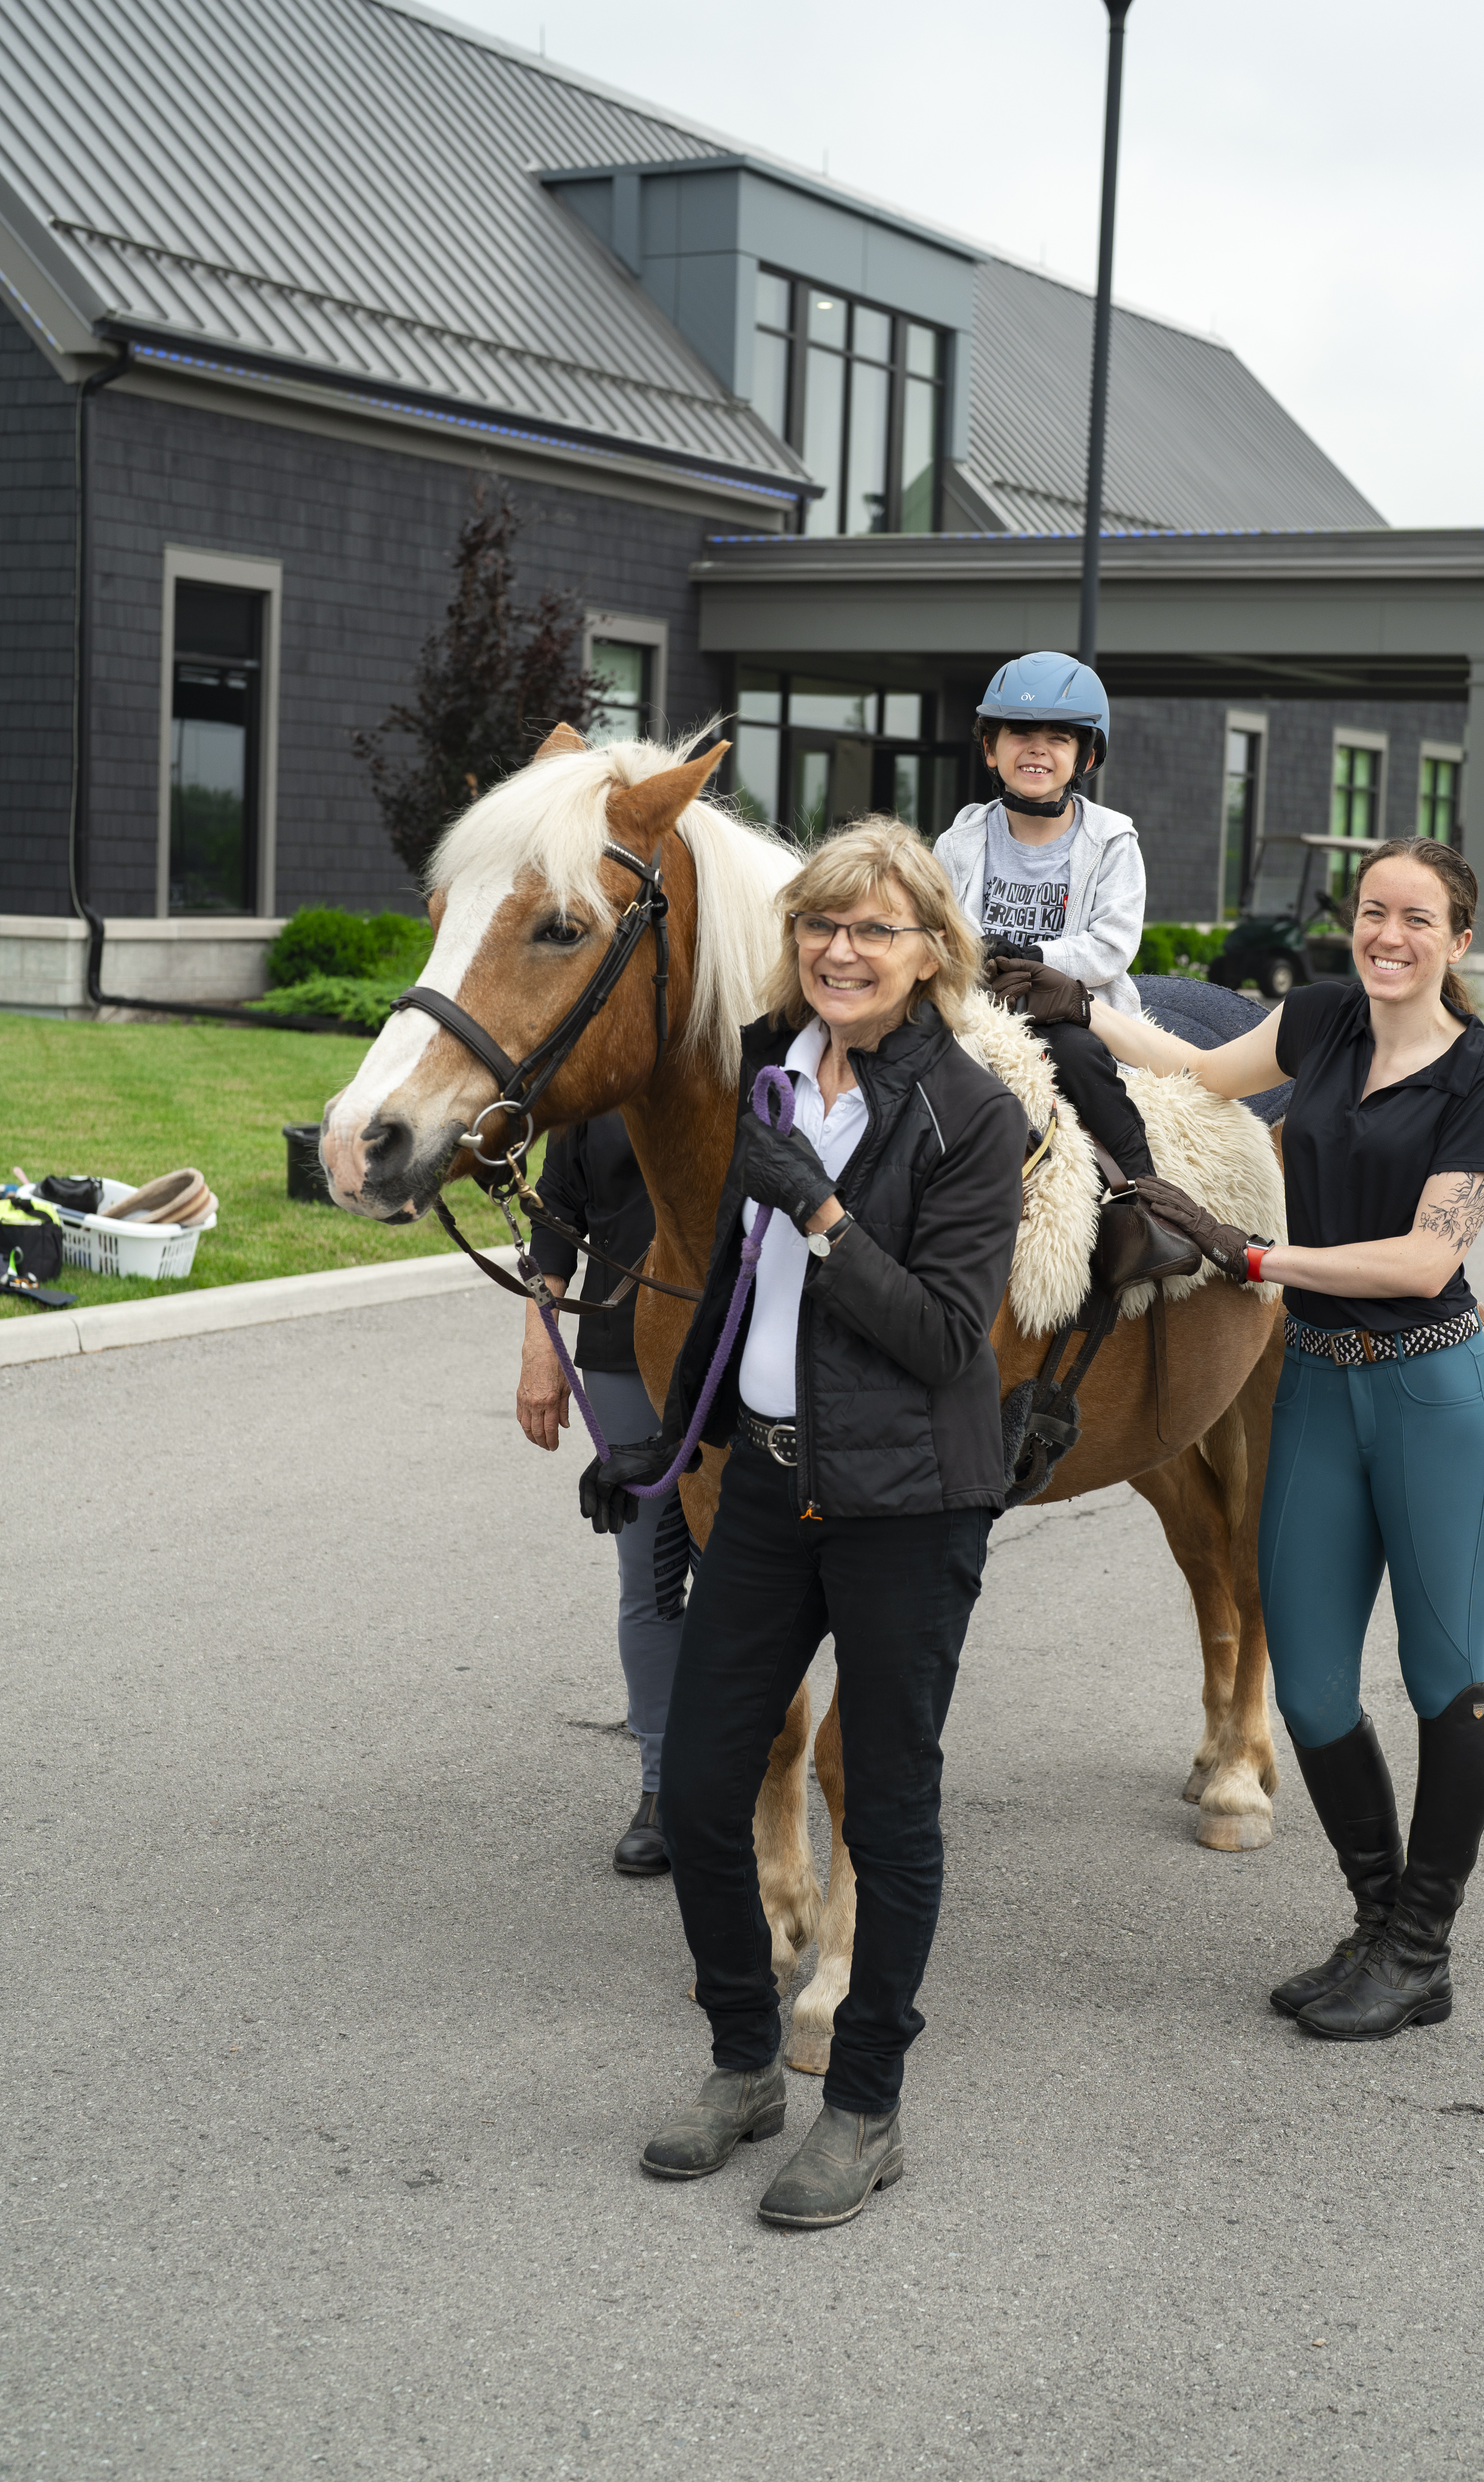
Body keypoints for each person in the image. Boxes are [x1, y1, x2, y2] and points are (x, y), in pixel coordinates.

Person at [578, 814, 1025, 2228]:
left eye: (874, 929)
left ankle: (865, 2108)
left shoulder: (971, 1113)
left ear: (932, 954)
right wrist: (671, 1439)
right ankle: (739, 2065)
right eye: (823, 925)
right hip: (767, 1487)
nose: (842, 949)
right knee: (707, 1790)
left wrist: (826, 1216)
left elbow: (951, 1338)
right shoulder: (772, 1071)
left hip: (908, 1507)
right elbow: (729, 1282)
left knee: (886, 1816)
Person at [1057, 838, 1484, 2041]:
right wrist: (1089, 1016)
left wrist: (1258, 1259)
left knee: (1441, 1679)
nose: (1389, 935)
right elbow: (1203, 1072)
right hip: (1317, 1379)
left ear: (1457, 942)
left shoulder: (1482, 1080)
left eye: (1417, 919)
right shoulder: (1321, 1022)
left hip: (1432, 1393)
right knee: (1313, 1688)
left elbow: (1428, 1259)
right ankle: (1378, 1928)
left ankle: (1420, 1944)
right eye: (1374, 912)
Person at [933, 652, 1196, 1288]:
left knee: (1076, 1056)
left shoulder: (1112, 840)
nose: (1038, 750)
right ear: (991, 749)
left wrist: (1040, 959)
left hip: (1071, 1008)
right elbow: (939, 929)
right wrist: (979, 957)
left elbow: (1112, 945)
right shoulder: (960, 840)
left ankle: (1143, 1206)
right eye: (1021, 735)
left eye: (1059, 738)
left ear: (1086, 757)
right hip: (980, 1007)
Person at [516, 1113, 691, 1877]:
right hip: (623, 1352)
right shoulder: (600, 1085)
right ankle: (662, 1788)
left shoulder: (753, 1048)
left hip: (741, 1353)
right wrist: (541, 1351)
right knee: (648, 1575)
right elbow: (555, 1218)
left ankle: (749, 1779)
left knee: (746, 1582)